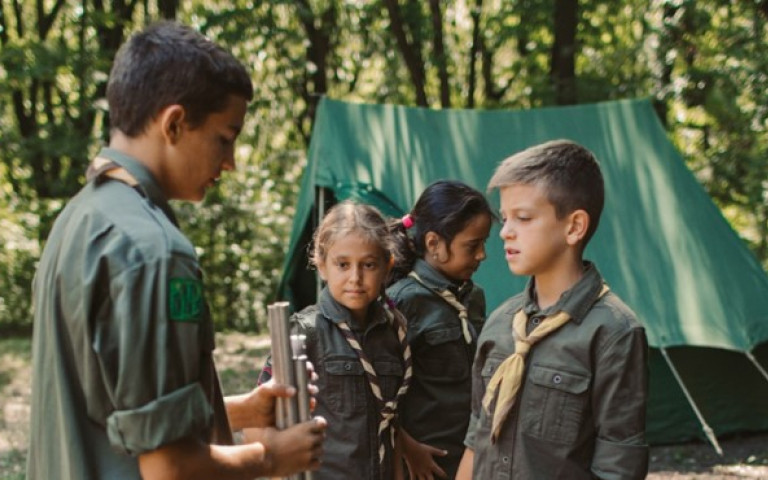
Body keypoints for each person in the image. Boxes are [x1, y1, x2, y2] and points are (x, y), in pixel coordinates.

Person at [26, 21, 326, 480]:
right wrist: (271, 456)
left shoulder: (80, 219)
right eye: (225, 138)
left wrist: (243, 412)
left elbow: (120, 414)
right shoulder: (157, 253)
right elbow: (169, 467)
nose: (230, 162)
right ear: (174, 123)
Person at [456, 140, 649, 479]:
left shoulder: (612, 332)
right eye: (504, 218)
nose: (505, 232)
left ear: (574, 226)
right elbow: (477, 437)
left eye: (524, 218)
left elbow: (618, 466)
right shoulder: (501, 324)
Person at [258, 200, 413, 479]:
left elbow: (391, 424)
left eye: (368, 264)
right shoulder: (304, 332)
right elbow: (261, 419)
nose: (355, 277)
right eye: (343, 264)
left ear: (387, 267)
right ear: (321, 264)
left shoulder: (394, 333)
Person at [386, 180, 494, 479]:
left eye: (484, 243)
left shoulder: (473, 297)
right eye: (473, 245)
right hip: (424, 465)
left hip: (469, 457)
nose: (482, 255)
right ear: (433, 244)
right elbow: (378, 394)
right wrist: (406, 447)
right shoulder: (402, 301)